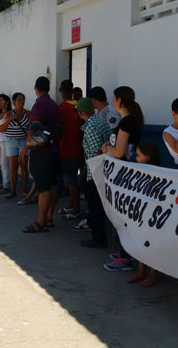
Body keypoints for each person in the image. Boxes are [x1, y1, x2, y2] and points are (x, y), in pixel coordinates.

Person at [101, 86, 144, 270]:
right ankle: (125, 252)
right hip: (125, 174)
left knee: (123, 216)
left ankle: (125, 257)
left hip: (125, 176)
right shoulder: (130, 120)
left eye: (114, 98)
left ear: (119, 100)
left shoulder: (127, 122)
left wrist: (106, 148)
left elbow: (119, 152)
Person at [21, 76, 61, 233]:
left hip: (41, 151)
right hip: (54, 150)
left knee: (43, 188)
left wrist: (26, 149)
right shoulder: (53, 105)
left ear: (35, 87)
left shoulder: (40, 104)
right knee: (52, 185)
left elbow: (34, 127)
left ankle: (40, 221)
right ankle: (49, 218)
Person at [75, 98, 111, 247]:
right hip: (104, 170)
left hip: (95, 173)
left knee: (95, 207)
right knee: (99, 206)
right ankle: (99, 235)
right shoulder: (101, 121)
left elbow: (97, 151)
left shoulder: (91, 126)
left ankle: (98, 238)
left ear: (80, 113)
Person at [126, 142, 161, 287]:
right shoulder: (138, 169)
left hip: (153, 216)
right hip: (140, 213)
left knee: (154, 246)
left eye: (139, 155)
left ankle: (153, 274)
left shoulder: (158, 173)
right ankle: (141, 271)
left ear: (147, 157)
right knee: (141, 242)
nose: (135, 157)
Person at [58, 80, 83, 219]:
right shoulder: (79, 105)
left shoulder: (62, 107)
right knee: (75, 178)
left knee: (71, 180)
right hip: (79, 147)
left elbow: (61, 130)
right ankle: (71, 204)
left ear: (61, 90)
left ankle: (76, 208)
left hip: (67, 148)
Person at [4, 92, 30, 199]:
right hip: (11, 141)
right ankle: (12, 190)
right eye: (19, 100)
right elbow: (3, 128)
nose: (21, 102)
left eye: (23, 99)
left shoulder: (28, 114)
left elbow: (32, 128)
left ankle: (24, 190)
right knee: (13, 167)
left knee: (24, 166)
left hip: (24, 141)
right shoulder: (9, 114)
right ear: (14, 102)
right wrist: (9, 120)